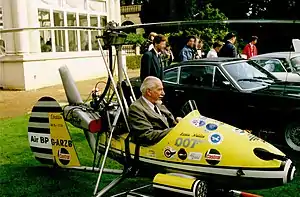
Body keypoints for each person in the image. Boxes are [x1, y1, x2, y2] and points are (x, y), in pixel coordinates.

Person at [128, 76, 182, 146]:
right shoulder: (136, 108)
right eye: (159, 90)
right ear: (149, 92)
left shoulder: (158, 104)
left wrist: (179, 123)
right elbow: (146, 135)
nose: (163, 93)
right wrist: (174, 130)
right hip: (154, 148)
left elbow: (170, 122)